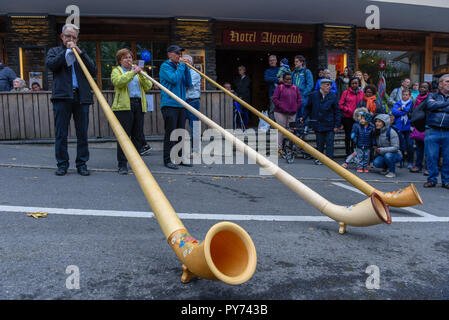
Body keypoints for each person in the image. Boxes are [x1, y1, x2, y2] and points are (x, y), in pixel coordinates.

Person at [46, 23, 97, 176]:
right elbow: (51, 66)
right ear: (62, 37)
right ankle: (62, 165)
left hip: (81, 97)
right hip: (62, 97)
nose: (71, 39)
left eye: (74, 37)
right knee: (61, 133)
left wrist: (80, 54)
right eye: (68, 36)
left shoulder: (80, 53)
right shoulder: (54, 51)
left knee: (82, 133)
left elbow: (93, 71)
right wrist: (66, 52)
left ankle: (82, 164)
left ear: (77, 39)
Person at [110, 48, 153, 175]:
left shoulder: (137, 72)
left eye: (130, 57)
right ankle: (122, 164)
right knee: (124, 137)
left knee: (137, 136)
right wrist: (133, 73)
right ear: (120, 60)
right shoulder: (116, 71)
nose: (128, 60)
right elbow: (118, 82)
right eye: (125, 58)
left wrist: (142, 74)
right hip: (124, 107)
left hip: (138, 104)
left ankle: (136, 163)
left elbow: (148, 86)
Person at [159, 44, 192, 170]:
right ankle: (167, 160)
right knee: (170, 133)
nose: (180, 56)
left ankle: (179, 159)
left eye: (181, 54)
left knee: (180, 133)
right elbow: (173, 79)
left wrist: (187, 68)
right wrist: (183, 66)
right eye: (177, 53)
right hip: (169, 105)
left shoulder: (180, 67)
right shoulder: (165, 66)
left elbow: (188, 83)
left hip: (181, 104)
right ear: (169, 54)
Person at [303, 78, 341, 163]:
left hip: (329, 123)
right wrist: (303, 117)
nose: (329, 87)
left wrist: (337, 125)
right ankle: (319, 159)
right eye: (327, 85)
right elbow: (308, 108)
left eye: (330, 85)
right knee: (319, 143)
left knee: (329, 143)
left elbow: (337, 111)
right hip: (318, 123)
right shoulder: (313, 95)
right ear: (322, 85)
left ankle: (330, 161)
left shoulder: (333, 96)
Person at [422, 74, 449, 189]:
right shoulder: (432, 95)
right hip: (433, 130)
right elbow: (429, 105)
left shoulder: (434, 98)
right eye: (448, 81)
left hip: (448, 132)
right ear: (441, 83)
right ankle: (432, 179)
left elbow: (434, 106)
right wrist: (446, 104)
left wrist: (438, 106)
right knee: (431, 157)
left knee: (448, 158)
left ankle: (446, 181)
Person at [271, 72, 302, 156]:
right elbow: (274, 99)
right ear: (283, 80)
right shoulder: (279, 88)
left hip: (292, 113)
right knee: (281, 130)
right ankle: (279, 150)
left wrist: (295, 107)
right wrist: (282, 107)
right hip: (280, 112)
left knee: (290, 131)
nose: (289, 80)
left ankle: (288, 148)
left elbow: (299, 100)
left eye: (290, 79)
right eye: (287, 79)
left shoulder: (295, 88)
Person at [339, 77, 364, 157]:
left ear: (359, 84)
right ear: (350, 84)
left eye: (356, 83)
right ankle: (348, 152)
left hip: (358, 118)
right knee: (348, 135)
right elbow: (340, 104)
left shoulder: (362, 93)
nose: (354, 85)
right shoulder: (345, 92)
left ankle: (355, 153)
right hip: (348, 117)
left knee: (357, 135)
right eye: (353, 83)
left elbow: (364, 104)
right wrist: (347, 110)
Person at [372, 114, 403, 178]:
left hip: (395, 154)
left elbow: (396, 147)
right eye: (376, 121)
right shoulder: (377, 131)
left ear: (385, 122)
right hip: (383, 154)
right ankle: (386, 168)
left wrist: (382, 150)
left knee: (388, 155)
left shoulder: (391, 132)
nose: (377, 123)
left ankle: (392, 172)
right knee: (376, 163)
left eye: (379, 122)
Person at [410, 82, 430, 174]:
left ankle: (428, 168)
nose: (422, 89)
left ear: (428, 89)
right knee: (419, 149)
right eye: (421, 87)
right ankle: (418, 165)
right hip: (418, 127)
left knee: (428, 150)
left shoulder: (430, 99)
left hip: (427, 126)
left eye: (425, 87)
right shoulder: (416, 99)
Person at [391, 88, 414, 169]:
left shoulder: (412, 103)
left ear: (409, 95)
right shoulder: (398, 103)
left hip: (408, 127)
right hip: (399, 126)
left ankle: (410, 161)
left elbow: (411, 111)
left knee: (409, 145)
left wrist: (402, 109)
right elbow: (394, 112)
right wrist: (404, 111)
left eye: (406, 95)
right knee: (400, 144)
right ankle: (401, 161)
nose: (404, 96)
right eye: (403, 95)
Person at [184, 54, 202, 158]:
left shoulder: (195, 73)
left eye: (187, 61)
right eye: (183, 61)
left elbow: (187, 85)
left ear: (191, 63)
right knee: (181, 125)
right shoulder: (182, 72)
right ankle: (182, 150)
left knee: (194, 127)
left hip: (193, 101)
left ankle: (195, 151)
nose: (185, 63)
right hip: (183, 101)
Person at [291, 55, 314, 121]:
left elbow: (310, 85)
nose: (295, 63)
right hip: (294, 97)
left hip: (303, 97)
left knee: (303, 115)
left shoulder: (307, 72)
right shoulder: (293, 73)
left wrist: (304, 94)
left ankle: (304, 130)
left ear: (301, 62)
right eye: (295, 61)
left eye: (297, 61)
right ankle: (296, 130)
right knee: (295, 115)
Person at [264, 55, 280, 120]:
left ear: (276, 61)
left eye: (273, 60)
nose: (272, 61)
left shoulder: (280, 69)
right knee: (272, 110)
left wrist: (273, 78)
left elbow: (285, 79)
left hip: (282, 93)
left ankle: (281, 129)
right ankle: (273, 129)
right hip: (272, 94)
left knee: (281, 111)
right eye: (270, 60)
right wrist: (278, 79)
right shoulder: (267, 71)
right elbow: (267, 79)